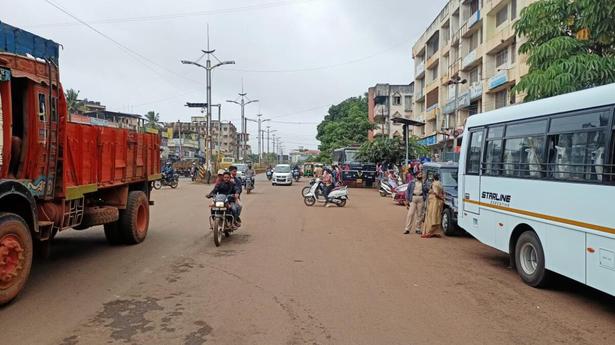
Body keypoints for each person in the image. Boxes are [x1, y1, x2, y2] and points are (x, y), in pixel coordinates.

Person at [422, 173, 445, 238]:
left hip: (434, 201)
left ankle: (429, 232)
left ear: (433, 178)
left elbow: (435, 193)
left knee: (431, 216)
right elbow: (443, 192)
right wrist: (442, 198)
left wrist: (441, 198)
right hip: (438, 202)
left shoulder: (434, 184)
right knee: (437, 215)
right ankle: (435, 231)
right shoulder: (440, 183)